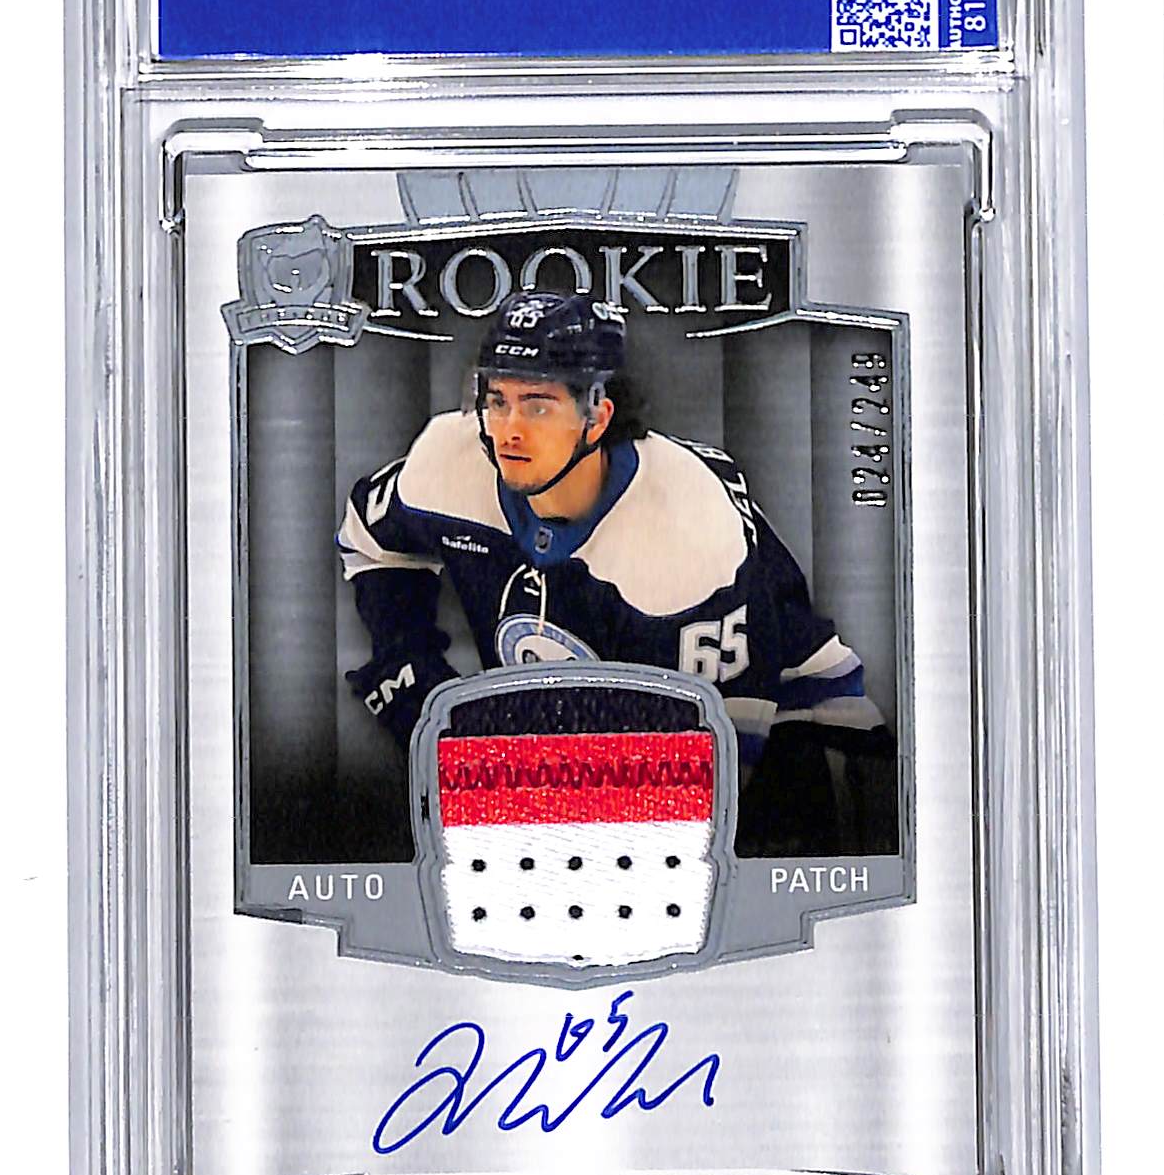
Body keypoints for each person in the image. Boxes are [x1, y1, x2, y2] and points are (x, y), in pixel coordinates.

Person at [337, 292, 890, 853]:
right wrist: (411, 680)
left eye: (538, 405)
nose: (508, 430)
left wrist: (536, 803)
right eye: (497, 399)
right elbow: (371, 540)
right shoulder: (448, 460)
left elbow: (724, 763)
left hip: (789, 722)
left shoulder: (685, 534)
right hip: (608, 731)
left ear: (597, 416)